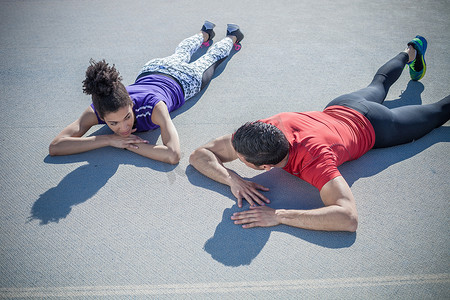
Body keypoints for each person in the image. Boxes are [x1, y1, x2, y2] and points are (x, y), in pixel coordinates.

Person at [189, 35, 450, 232]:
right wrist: (232, 178)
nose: (235, 154)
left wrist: (279, 216)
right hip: (343, 104)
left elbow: (348, 218)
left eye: (239, 158)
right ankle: (411, 51)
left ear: (266, 166)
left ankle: (412, 55)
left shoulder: (315, 162)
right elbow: (199, 155)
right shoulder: (265, 129)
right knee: (379, 83)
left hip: (378, 126)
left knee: (438, 113)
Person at [49, 21, 244, 164]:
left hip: (186, 79)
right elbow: (56, 146)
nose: (124, 128)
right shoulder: (99, 108)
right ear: (101, 116)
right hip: (154, 67)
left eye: (127, 116)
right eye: (113, 123)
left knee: (212, 58)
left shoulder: (154, 107)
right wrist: (109, 139)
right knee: (181, 52)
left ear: (131, 104)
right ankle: (205, 32)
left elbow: (173, 154)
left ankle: (233, 36)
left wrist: (126, 143)